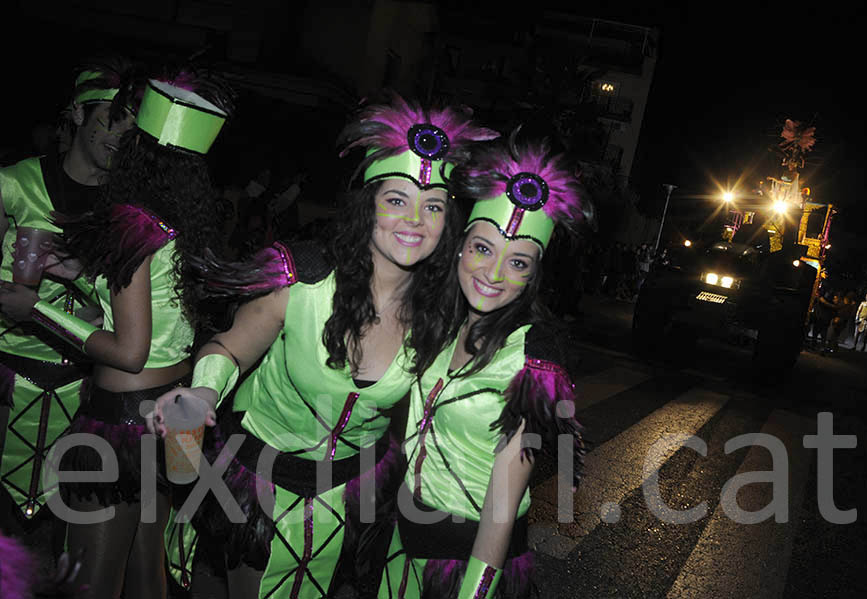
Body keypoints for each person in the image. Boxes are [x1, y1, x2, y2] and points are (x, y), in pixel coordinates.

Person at [146, 93, 498, 598]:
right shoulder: (302, 278)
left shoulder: (443, 317)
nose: (414, 219)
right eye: (397, 199)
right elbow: (229, 348)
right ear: (368, 204)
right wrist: (202, 394)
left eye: (433, 206)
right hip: (259, 487)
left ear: (449, 225)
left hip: (347, 502)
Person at [0, 67, 234, 598]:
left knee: (94, 584)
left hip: (123, 423)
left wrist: (36, 309)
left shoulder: (131, 222)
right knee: (147, 578)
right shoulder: (183, 220)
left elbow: (129, 351)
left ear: (139, 152)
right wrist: (81, 270)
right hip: (173, 417)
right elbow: (155, 301)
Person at [377, 136, 589, 599]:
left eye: (517, 262)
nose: (493, 274)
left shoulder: (532, 366)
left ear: (533, 276)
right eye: (482, 249)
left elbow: (501, 511)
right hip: (402, 545)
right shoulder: (438, 324)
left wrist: (474, 592)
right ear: (459, 249)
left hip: (466, 563)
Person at [0, 56, 142, 535]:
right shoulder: (16, 182)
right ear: (79, 115)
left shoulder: (125, 212)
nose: (117, 137)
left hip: (84, 385)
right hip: (8, 369)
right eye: (109, 121)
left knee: (61, 529)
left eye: (128, 128)